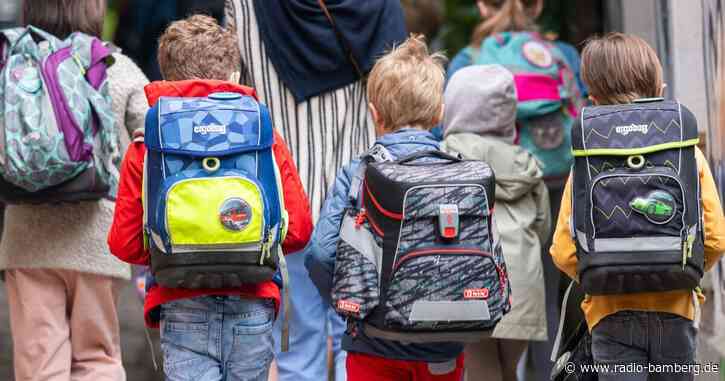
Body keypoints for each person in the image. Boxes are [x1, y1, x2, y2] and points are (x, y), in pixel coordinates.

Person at [107, 14, 313, 381]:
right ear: (233, 75)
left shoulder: (149, 144)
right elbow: (298, 231)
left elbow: (124, 245)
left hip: (180, 302)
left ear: (166, 76)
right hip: (252, 301)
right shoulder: (264, 137)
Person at [224, 1, 407, 379]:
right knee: (357, 343)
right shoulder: (377, 7)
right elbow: (402, 95)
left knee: (296, 349)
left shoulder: (243, 7)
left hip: (285, 202)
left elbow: (230, 93)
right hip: (364, 203)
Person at [550, 33, 725, 381]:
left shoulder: (587, 161)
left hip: (608, 311)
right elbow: (716, 237)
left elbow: (563, 251)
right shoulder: (686, 151)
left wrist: (604, 274)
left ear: (594, 98)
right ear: (659, 89)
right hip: (676, 307)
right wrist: (681, 270)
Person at [0, 1, 149, 379]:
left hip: (28, 240)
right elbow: (152, 147)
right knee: (97, 359)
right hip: (99, 240)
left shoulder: (11, 68)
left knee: (40, 364)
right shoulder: (116, 67)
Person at [305, 35, 465, 381]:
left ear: (375, 115)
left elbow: (320, 253)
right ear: (439, 113)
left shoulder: (358, 173)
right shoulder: (462, 174)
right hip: (443, 342)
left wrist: (349, 302)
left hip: (373, 344)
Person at [441, 64, 550, 381]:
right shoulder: (527, 164)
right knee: (507, 371)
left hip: (469, 284)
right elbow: (542, 228)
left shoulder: (446, 157)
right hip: (521, 290)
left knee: (480, 371)